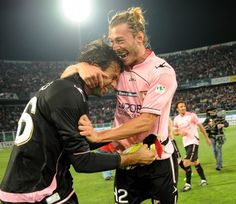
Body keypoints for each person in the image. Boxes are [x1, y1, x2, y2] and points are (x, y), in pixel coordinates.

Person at [0, 39, 156, 204]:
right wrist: (132, 158)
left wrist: (118, 136)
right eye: (113, 76)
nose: (115, 84)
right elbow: (83, 161)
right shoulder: (69, 95)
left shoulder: (66, 89)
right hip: (37, 193)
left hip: (42, 188)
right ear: (95, 67)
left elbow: (74, 145)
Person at [62, 7, 178, 204]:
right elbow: (65, 81)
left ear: (139, 38)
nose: (114, 47)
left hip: (157, 161)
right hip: (127, 161)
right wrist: (79, 66)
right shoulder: (117, 66)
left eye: (120, 40)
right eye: (112, 41)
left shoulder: (161, 72)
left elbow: (145, 122)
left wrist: (99, 136)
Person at [173, 100, 211, 192]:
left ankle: (188, 184)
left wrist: (206, 137)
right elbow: (174, 131)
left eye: (184, 106)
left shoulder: (191, 115)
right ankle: (204, 180)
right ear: (177, 109)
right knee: (195, 162)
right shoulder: (176, 119)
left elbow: (200, 126)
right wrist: (179, 132)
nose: (183, 108)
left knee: (186, 162)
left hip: (193, 141)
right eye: (181, 107)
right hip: (186, 143)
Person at [203, 106, 229, 171]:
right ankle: (219, 163)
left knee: (218, 150)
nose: (209, 112)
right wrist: (208, 125)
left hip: (219, 136)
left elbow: (227, 124)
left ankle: (218, 165)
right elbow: (203, 125)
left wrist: (222, 125)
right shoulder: (208, 118)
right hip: (211, 136)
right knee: (214, 151)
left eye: (210, 110)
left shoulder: (219, 117)